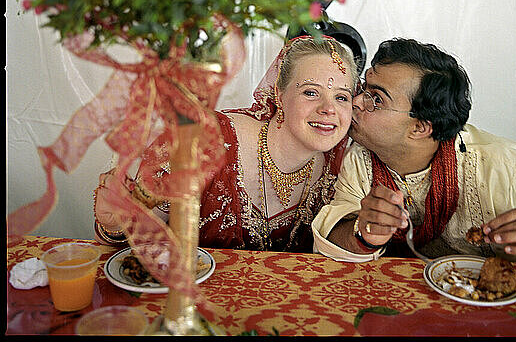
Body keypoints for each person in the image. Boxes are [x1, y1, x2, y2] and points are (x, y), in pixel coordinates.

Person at [312, 38, 516, 272]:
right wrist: (364, 231)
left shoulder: (502, 166)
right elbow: (333, 240)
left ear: (420, 127)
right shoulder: (360, 159)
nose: (356, 101)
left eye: (376, 99)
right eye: (363, 89)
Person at [93, 35, 358, 252]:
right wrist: (117, 227)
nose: (328, 109)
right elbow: (132, 244)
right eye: (310, 92)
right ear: (279, 93)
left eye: (342, 97)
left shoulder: (339, 163)